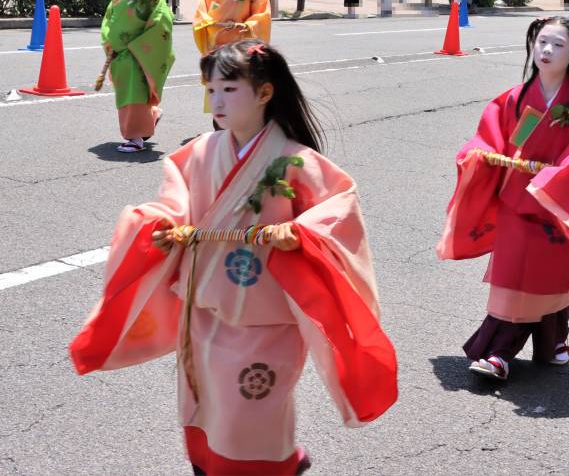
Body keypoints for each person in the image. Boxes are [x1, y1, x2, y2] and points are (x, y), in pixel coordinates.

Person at [70, 41, 398, 474]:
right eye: (212, 89)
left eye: (229, 89)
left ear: (264, 93)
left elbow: (338, 212)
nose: (217, 101)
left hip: (268, 318)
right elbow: (176, 205)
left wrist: (300, 233)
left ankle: (275, 465)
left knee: (251, 409)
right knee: (207, 402)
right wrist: (160, 225)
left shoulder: (295, 161)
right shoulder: (199, 153)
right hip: (205, 306)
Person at [437, 17, 569, 381]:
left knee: (551, 276)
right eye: (542, 42)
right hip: (517, 201)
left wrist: (553, 179)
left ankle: (554, 340)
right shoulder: (515, 98)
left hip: (558, 203)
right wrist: (477, 154)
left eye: (557, 45)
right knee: (514, 274)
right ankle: (497, 353)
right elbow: (491, 138)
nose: (546, 50)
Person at [101, 0, 174, 153]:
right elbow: (109, 18)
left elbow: (162, 22)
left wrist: (139, 46)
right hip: (119, 53)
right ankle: (151, 116)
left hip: (138, 52)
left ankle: (135, 138)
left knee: (134, 93)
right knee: (125, 93)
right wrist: (109, 40)